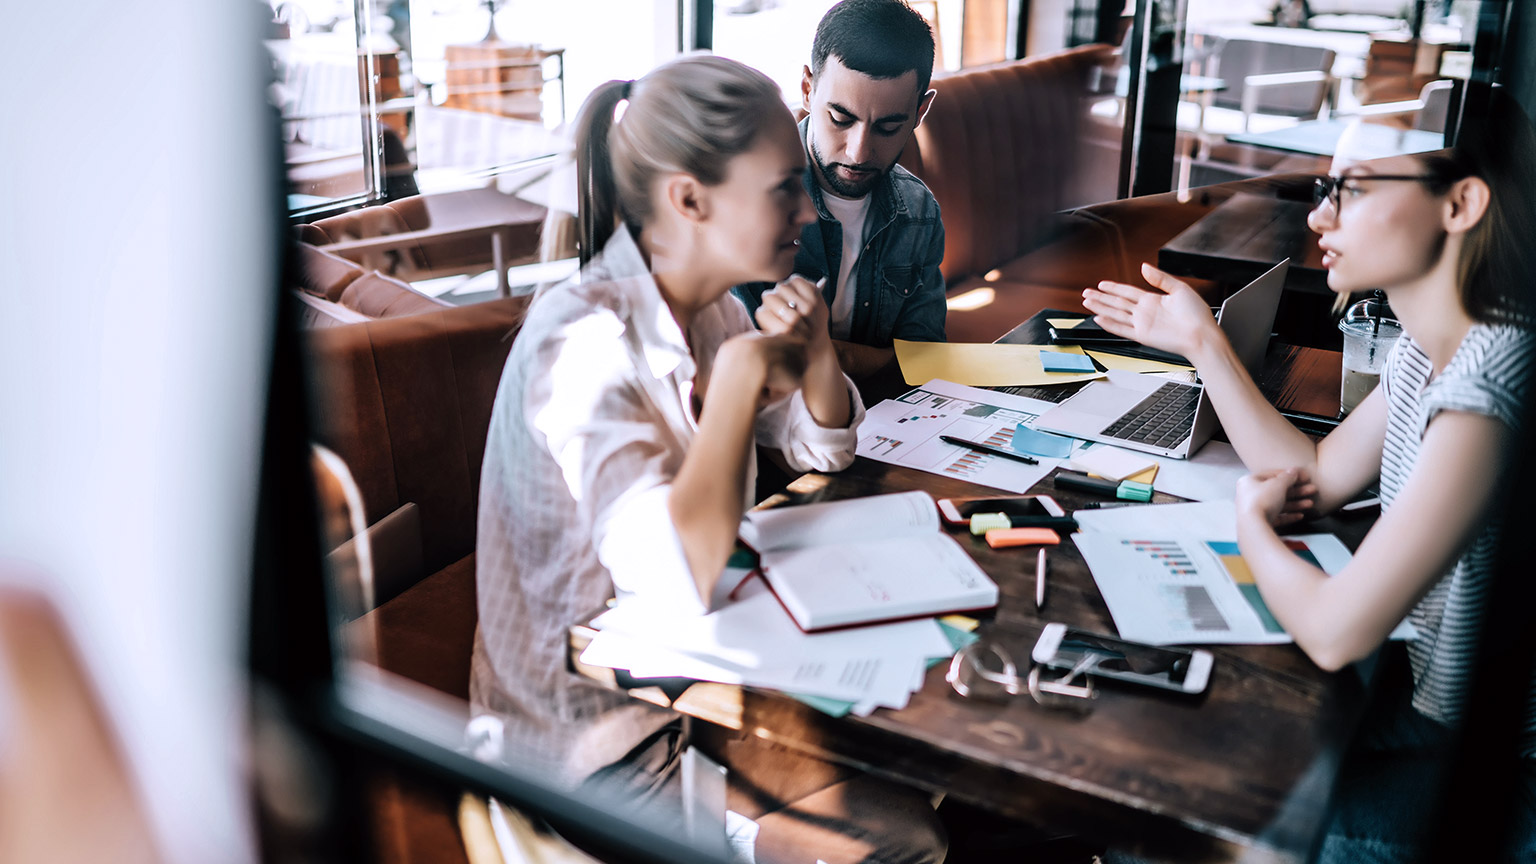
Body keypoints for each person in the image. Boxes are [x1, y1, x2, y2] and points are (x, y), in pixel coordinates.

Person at [469, 54, 946, 864]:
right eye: (782, 189)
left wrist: (818, 351)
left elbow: (821, 446)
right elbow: (678, 578)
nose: (809, 206)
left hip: (696, 690)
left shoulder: (715, 313)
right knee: (900, 842)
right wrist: (735, 385)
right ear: (690, 199)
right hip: (588, 745)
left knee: (923, 765)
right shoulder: (582, 342)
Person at [1082, 100, 1536, 860]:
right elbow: (1317, 474)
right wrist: (1202, 341)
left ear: (1460, 203)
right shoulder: (1432, 346)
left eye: (1351, 190)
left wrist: (1251, 526)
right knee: (1163, 771)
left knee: (1166, 821)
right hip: (1427, 711)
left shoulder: (1494, 379)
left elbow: (1333, 631)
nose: (1321, 218)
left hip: (1493, 776)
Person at [732, 0, 946, 381]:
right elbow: (751, 367)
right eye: (840, 118)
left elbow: (925, 360)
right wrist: (873, 360)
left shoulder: (919, 211)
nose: (858, 151)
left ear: (920, 112)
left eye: (887, 127)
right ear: (807, 89)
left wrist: (823, 356)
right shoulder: (745, 201)